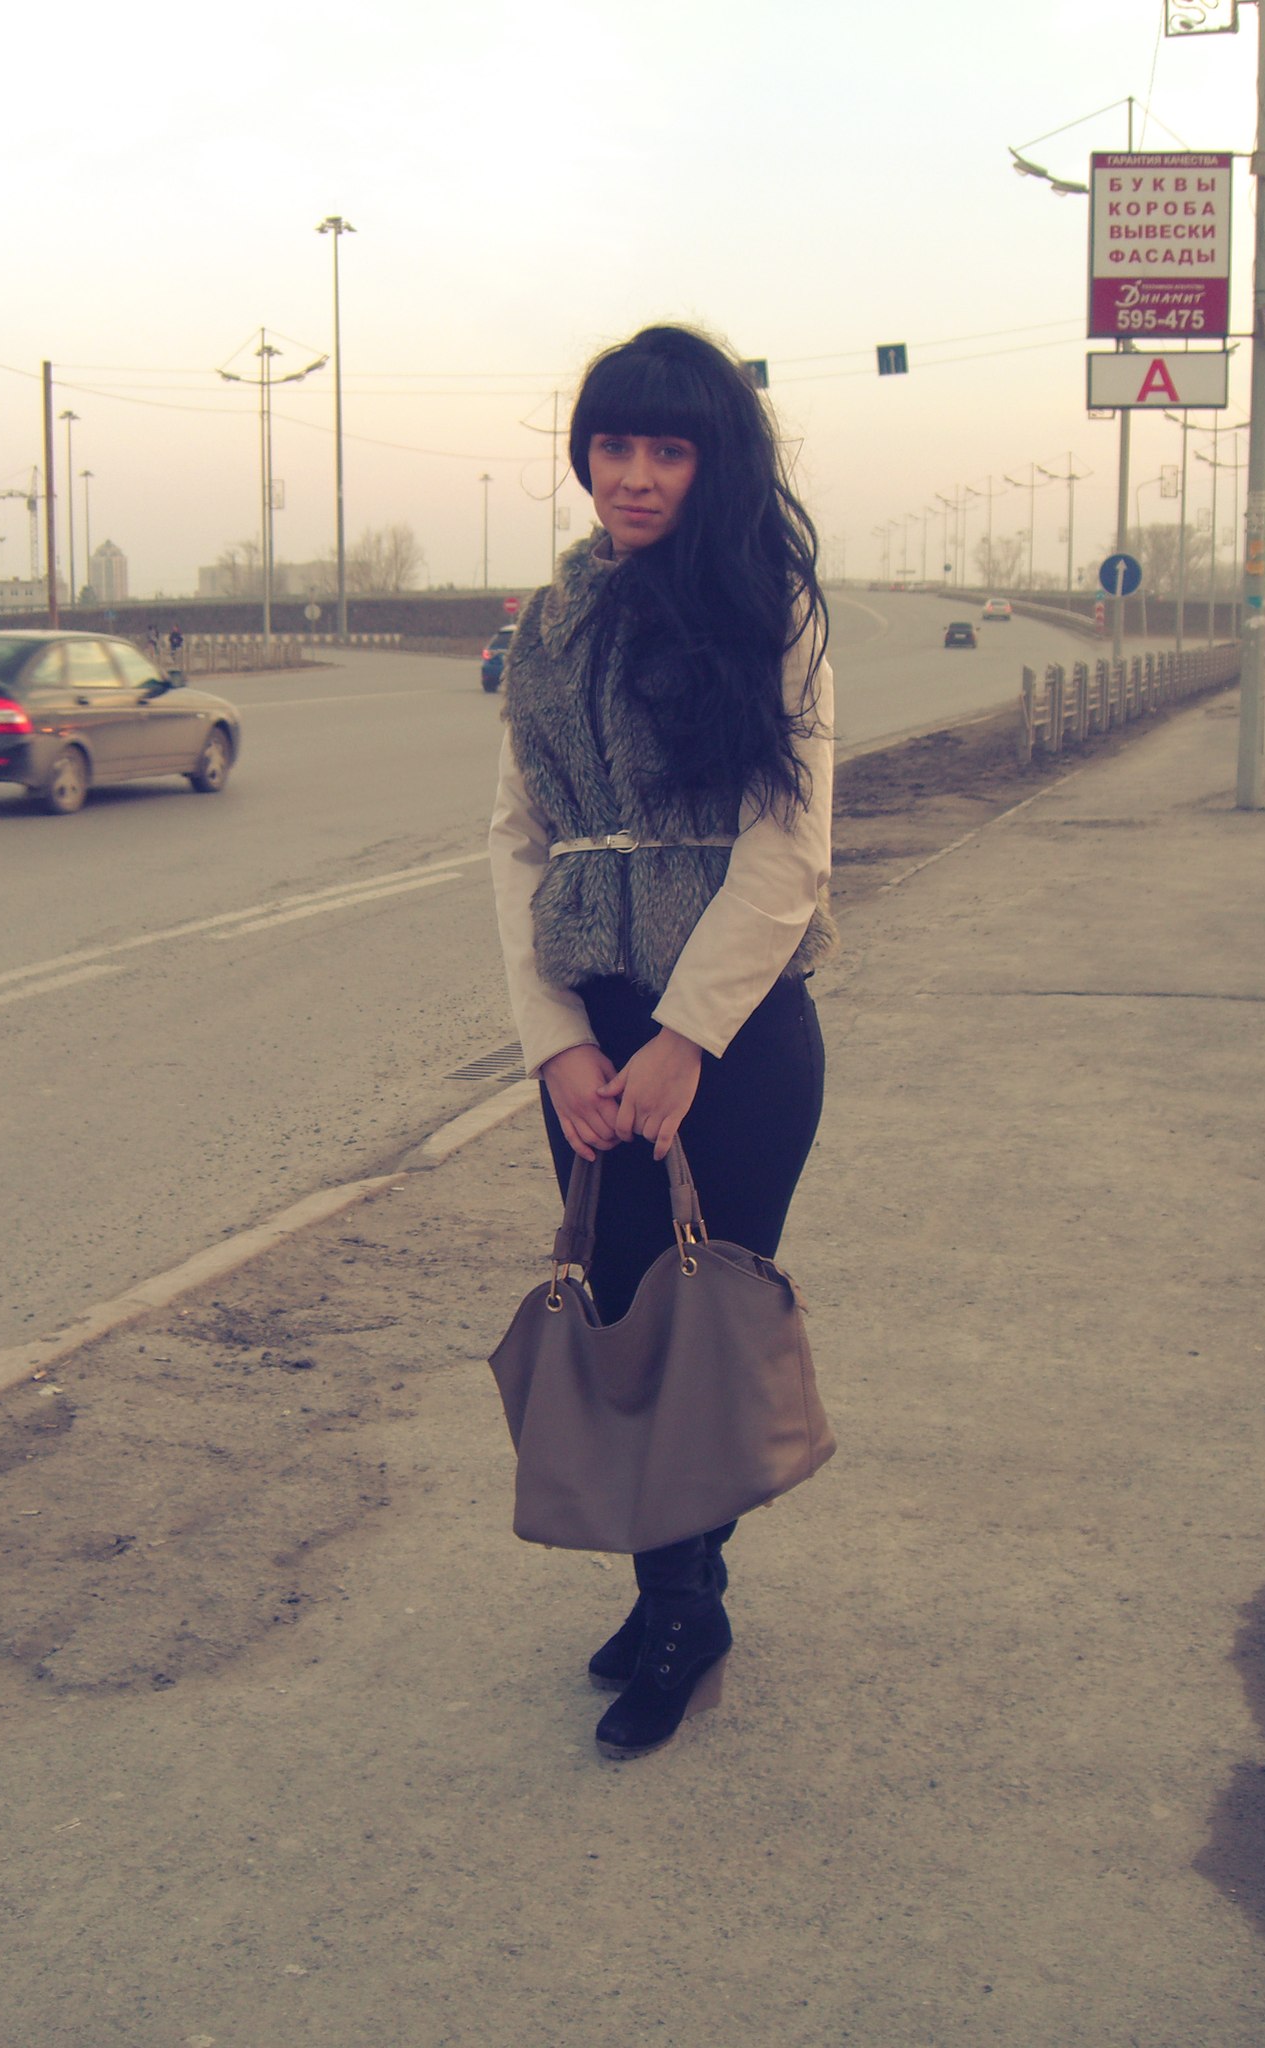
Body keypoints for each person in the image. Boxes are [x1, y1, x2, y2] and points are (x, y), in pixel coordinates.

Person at [488, 324, 835, 1760]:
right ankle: (677, 1593)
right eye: (612, 446)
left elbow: (791, 851)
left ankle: (684, 1615)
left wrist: (686, 1037)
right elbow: (518, 841)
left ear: (715, 461)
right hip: (593, 1031)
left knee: (698, 1327)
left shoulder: (768, 608)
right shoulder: (551, 623)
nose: (633, 476)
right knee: (622, 1315)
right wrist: (556, 1042)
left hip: (734, 1040)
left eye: (668, 449)